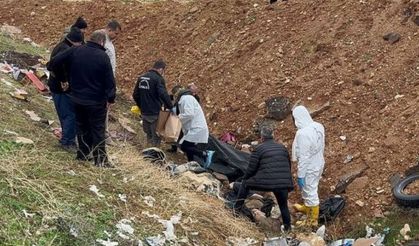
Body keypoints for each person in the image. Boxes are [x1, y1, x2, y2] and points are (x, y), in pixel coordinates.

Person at [47, 30, 116, 168]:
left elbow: (52, 64)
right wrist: (110, 99)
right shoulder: (103, 56)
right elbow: (110, 81)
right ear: (101, 42)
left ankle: (83, 154)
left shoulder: (75, 50)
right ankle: (100, 160)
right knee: (97, 130)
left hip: (77, 98)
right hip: (96, 101)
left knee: (82, 127)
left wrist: (64, 77)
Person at [232, 126, 293, 231]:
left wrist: (244, 178)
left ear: (261, 137)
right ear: (273, 136)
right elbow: (288, 165)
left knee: (245, 184)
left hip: (267, 182)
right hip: (284, 183)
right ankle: (288, 228)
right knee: (283, 205)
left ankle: (235, 211)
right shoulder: (282, 148)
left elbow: (251, 169)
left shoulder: (259, 149)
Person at [48, 27, 83, 152]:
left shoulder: (61, 46)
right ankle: (68, 142)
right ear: (75, 42)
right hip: (61, 88)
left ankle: (67, 139)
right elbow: (54, 65)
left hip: (55, 86)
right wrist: (64, 80)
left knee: (65, 114)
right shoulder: (66, 50)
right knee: (70, 115)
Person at [291, 105, 325, 227]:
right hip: (319, 162)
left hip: (309, 167)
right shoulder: (318, 126)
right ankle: (308, 207)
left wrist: (301, 175)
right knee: (310, 188)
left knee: (310, 190)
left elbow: (304, 157)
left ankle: (312, 220)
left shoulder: (303, 134)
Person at [132, 60, 173, 147]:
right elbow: (163, 94)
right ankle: (154, 156)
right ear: (161, 69)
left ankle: (148, 153)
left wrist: (141, 105)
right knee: (156, 136)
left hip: (144, 112)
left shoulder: (142, 77)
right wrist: (171, 107)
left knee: (148, 134)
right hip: (155, 112)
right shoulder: (158, 79)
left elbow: (135, 95)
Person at [175, 88, 213, 166]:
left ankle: (205, 154)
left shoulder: (186, 99)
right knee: (189, 147)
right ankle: (191, 164)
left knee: (184, 146)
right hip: (195, 127)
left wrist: (178, 117)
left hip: (196, 128)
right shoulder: (187, 98)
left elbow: (189, 114)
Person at [103, 20, 121, 145]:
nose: (117, 36)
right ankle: (104, 133)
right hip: (103, 80)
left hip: (109, 79)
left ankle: (104, 132)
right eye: (115, 33)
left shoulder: (109, 42)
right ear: (109, 30)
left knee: (106, 108)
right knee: (103, 107)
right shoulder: (102, 41)